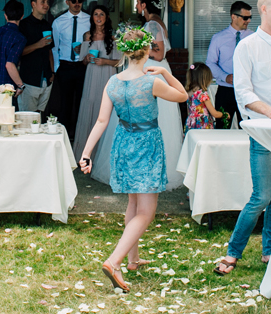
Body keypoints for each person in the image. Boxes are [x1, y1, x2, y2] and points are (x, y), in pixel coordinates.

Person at [78, 27, 188, 293]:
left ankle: (133, 259)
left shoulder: (113, 82)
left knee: (133, 202)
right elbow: (183, 95)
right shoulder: (152, 82)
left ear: (124, 53)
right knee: (146, 211)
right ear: (148, 51)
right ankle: (114, 261)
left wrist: (86, 152)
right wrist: (164, 71)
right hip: (147, 144)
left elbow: (102, 121)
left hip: (123, 143)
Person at [214, 0, 271, 275]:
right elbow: (242, 91)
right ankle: (233, 252)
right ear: (263, 9)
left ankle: (270, 251)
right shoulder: (247, 46)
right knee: (261, 196)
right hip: (263, 131)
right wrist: (267, 110)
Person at [137, 0, 185, 190]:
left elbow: (159, 53)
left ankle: (155, 168)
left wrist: (141, 48)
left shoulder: (152, 23)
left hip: (154, 71)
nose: (137, 6)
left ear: (144, 4)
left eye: (138, 2)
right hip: (154, 70)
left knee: (155, 118)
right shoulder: (155, 22)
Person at [73, 4, 122, 158]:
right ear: (92, 17)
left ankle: (104, 154)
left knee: (106, 108)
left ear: (106, 18)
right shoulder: (87, 36)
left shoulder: (113, 37)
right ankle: (88, 153)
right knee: (91, 104)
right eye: (96, 14)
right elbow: (82, 62)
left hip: (108, 74)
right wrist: (87, 58)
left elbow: (119, 62)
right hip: (92, 75)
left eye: (102, 14)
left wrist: (105, 62)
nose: (99, 17)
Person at [47, 0, 91, 134]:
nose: (77, 4)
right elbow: (55, 47)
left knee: (82, 101)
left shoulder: (89, 20)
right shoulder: (58, 22)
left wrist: (85, 50)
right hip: (65, 66)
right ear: (67, 2)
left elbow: (93, 43)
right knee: (64, 102)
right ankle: (64, 133)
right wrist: (57, 68)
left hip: (83, 65)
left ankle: (79, 134)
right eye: (73, 1)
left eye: (79, 1)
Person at [205, 1, 253, 129]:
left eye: (250, 17)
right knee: (222, 128)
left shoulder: (253, 38)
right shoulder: (218, 38)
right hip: (225, 91)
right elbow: (210, 63)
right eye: (245, 18)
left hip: (248, 90)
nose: (248, 21)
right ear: (233, 17)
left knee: (249, 129)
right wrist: (225, 77)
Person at [18, 0, 54, 114]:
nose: (46, 5)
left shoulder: (47, 25)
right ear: (33, 4)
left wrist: (52, 72)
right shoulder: (23, 25)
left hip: (47, 78)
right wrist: (38, 45)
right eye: (42, 2)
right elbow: (18, 52)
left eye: (47, 2)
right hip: (29, 79)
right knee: (28, 117)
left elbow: (50, 51)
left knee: (40, 115)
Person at [184, 63, 222, 130]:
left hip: (191, 124)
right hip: (203, 125)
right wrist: (224, 115)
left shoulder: (188, 93)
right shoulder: (202, 94)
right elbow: (214, 113)